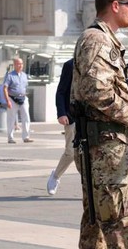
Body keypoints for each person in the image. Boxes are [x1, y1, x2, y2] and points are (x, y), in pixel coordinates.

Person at [71, 0, 128, 249]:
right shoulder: (97, 39)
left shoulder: (104, 39)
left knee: (96, 224)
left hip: (105, 144)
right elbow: (96, 90)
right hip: (104, 147)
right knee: (120, 222)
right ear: (114, 5)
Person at [46, 59, 75, 196]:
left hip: (91, 118)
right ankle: (56, 176)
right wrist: (62, 113)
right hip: (73, 116)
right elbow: (61, 91)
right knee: (71, 152)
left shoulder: (97, 63)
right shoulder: (70, 65)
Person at [3, 57, 33, 144]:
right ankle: (10, 138)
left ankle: (26, 137)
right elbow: (5, 88)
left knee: (26, 117)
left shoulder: (24, 75)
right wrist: (7, 100)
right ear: (14, 65)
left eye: (22, 64)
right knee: (11, 119)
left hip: (23, 98)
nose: (20, 66)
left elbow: (25, 87)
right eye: (18, 64)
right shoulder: (10, 75)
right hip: (12, 98)